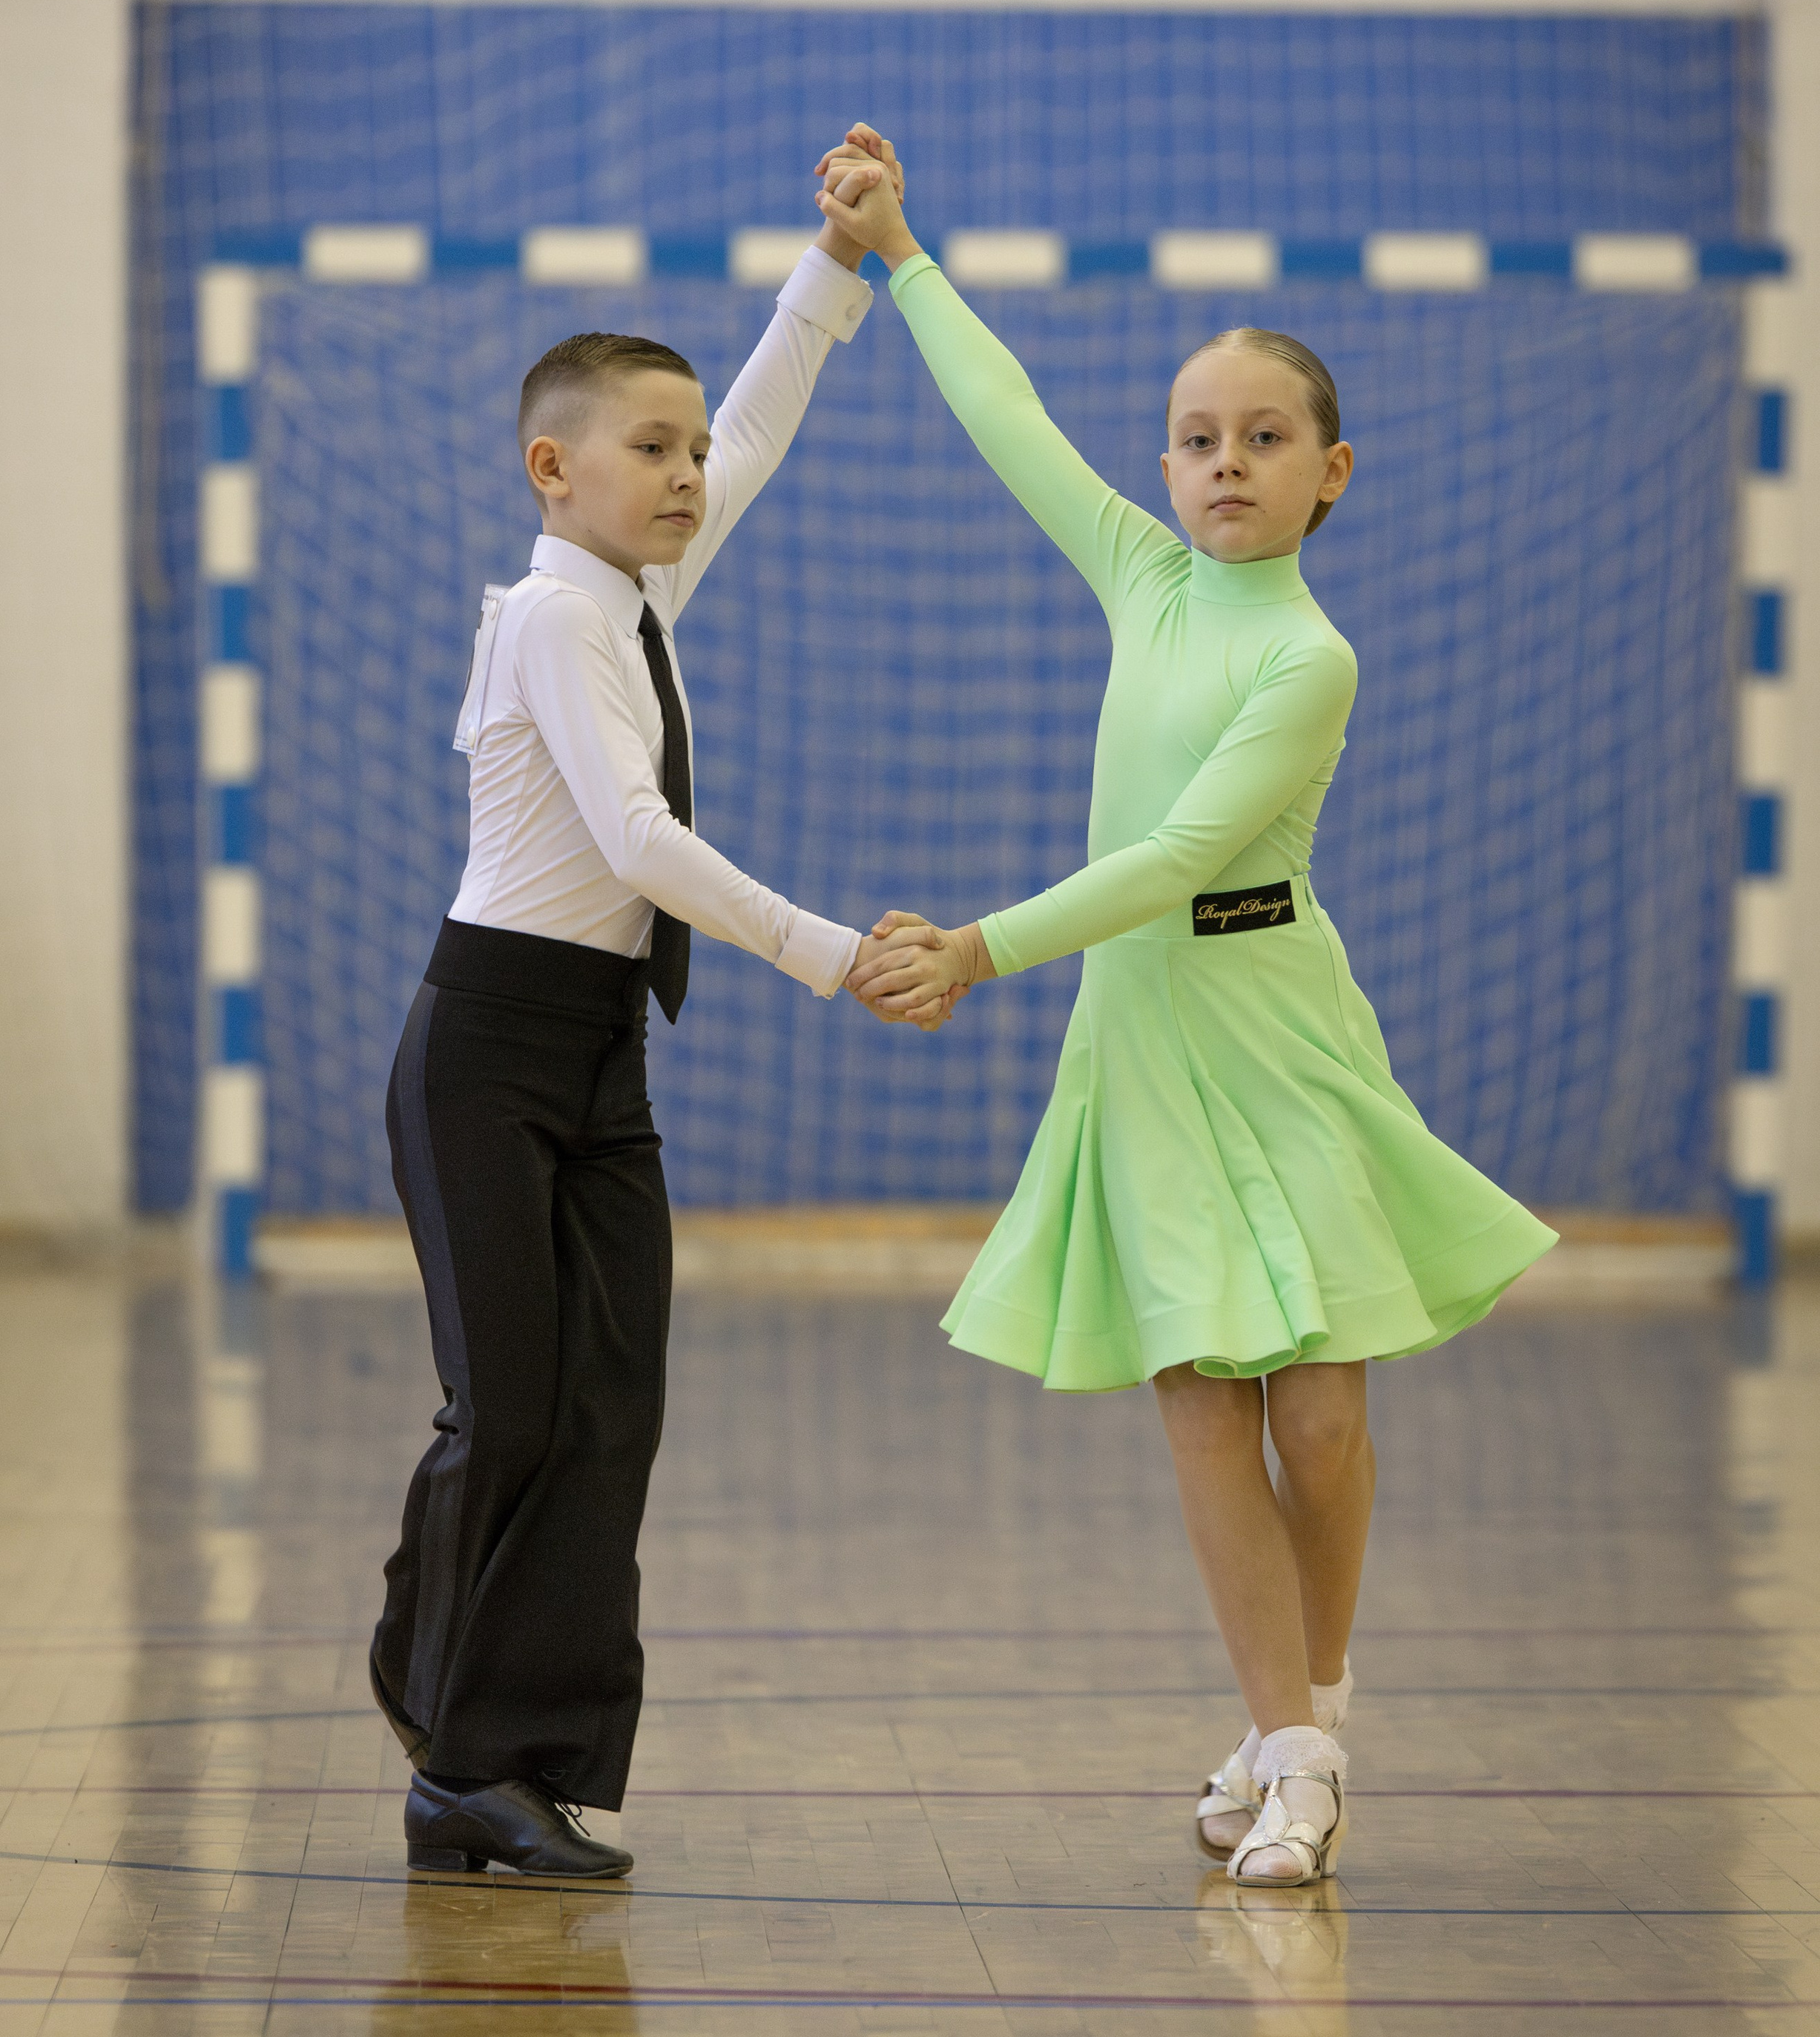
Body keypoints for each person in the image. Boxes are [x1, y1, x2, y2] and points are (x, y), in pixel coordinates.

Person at [826, 132, 1556, 1887]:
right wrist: (897, 253)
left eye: (1264, 438)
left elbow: (1182, 851)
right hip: (1140, 1049)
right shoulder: (1142, 577)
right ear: (1166, 463)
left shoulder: (1308, 659)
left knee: (1318, 1409)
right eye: (1197, 437)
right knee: (1198, 1402)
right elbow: (1007, 416)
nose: (1224, 462)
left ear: (1329, 473)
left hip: (1278, 1031)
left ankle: (1309, 1701)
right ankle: (1289, 1744)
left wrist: (984, 946)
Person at [372, 163, 894, 1886]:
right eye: (650, 449)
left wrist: (832, 268)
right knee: (507, 1411)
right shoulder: (546, 618)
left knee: (609, 1410)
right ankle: (452, 1746)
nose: (687, 472)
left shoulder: (638, 594)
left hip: (601, 1054)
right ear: (554, 468)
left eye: (685, 451)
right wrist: (829, 951)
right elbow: (634, 843)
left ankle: (524, 1753)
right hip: (484, 1053)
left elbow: (759, 420)